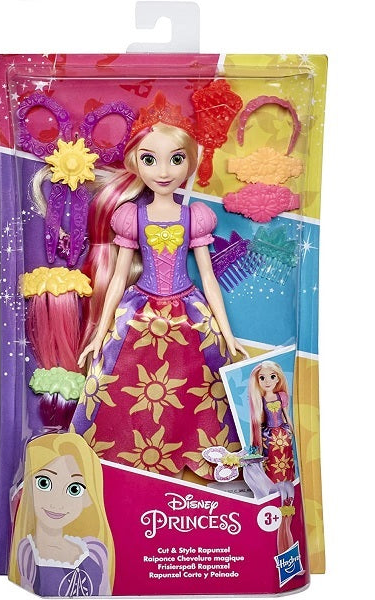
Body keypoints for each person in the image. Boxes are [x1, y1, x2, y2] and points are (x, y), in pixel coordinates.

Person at [72, 92, 247, 479]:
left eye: (176, 159)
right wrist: (100, 333)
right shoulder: (131, 216)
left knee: (196, 384)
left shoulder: (194, 216)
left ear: (189, 162)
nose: (164, 171)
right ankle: (123, 454)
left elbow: (208, 278)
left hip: (188, 310)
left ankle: (198, 453)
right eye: (150, 159)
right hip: (139, 310)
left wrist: (227, 332)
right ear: (136, 162)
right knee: (123, 379)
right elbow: (118, 278)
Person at [8, 431, 114, 596]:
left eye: (74, 489)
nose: (57, 502)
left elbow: (106, 593)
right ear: (28, 487)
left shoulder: (95, 550)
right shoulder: (28, 552)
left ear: (88, 497)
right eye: (44, 483)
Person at [248, 360, 296, 553]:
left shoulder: (281, 396)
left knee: (285, 465)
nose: (267, 381)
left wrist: (293, 431)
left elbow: (286, 415)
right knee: (273, 465)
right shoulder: (259, 400)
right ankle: (275, 492)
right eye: (262, 378)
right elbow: (258, 422)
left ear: (278, 378)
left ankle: (287, 492)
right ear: (258, 381)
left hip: (282, 434)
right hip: (269, 436)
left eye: (272, 376)